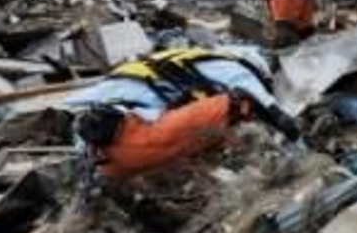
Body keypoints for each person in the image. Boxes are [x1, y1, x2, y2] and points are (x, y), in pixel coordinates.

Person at [66, 47, 300, 179]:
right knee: (237, 105)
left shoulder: (187, 62)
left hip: (95, 148)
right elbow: (256, 98)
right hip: (125, 139)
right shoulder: (233, 68)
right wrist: (294, 139)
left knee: (206, 134)